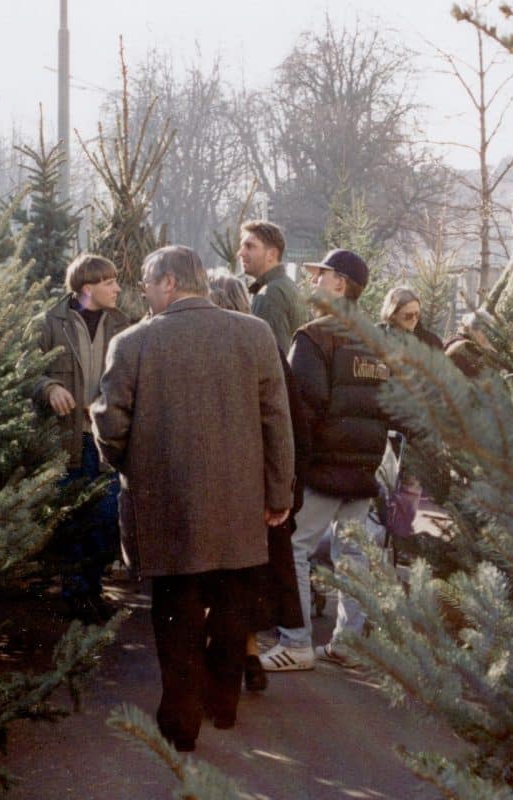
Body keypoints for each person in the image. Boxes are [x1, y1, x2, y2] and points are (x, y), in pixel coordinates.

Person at [91, 246, 294, 752]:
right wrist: (277, 491)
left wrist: (130, 466)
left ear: (169, 282)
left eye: (146, 280)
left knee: (175, 613)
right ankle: (222, 706)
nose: (142, 289)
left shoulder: (132, 342)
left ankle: (180, 723)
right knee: (232, 607)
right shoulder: (255, 334)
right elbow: (277, 421)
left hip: (168, 504)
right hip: (241, 503)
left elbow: (109, 421)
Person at [261, 249, 395, 672]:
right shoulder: (379, 341)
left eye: (319, 275)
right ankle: (348, 645)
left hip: (321, 470)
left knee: (295, 548)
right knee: (353, 555)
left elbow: (302, 409)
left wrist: (291, 471)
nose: (312, 282)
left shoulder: (315, 336)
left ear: (339, 283)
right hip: (362, 471)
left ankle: (296, 642)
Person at [207, 269, 308, 692]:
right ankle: (248, 654)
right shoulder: (268, 353)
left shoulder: (208, 355)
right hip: (263, 492)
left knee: (219, 579)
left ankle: (226, 662)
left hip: (224, 490)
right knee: (251, 580)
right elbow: (292, 429)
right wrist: (283, 491)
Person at [32, 253, 128, 622]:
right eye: (109, 283)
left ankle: (92, 587)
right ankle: (77, 596)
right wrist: (49, 386)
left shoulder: (122, 325)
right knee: (74, 520)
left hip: (108, 443)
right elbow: (25, 371)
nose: (117, 288)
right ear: (88, 289)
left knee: (107, 517)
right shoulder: (48, 324)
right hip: (68, 441)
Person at [237, 219, 305, 353]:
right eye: (242, 247)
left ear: (272, 254)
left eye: (250, 246)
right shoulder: (285, 285)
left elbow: (274, 358)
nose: (241, 253)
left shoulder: (269, 294)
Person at [444, 309, 498, 377]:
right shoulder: (463, 347)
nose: (486, 337)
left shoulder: (457, 341)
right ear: (470, 328)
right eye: (483, 331)